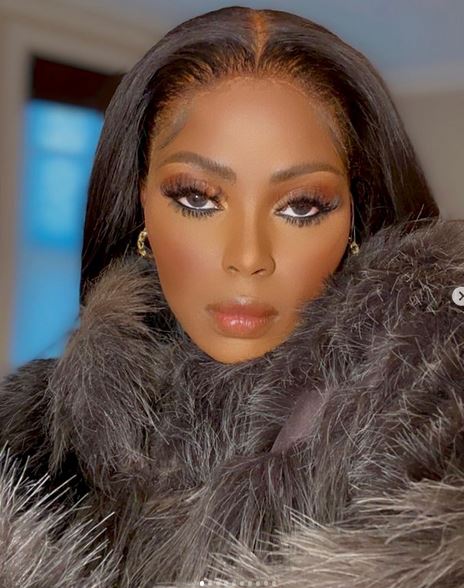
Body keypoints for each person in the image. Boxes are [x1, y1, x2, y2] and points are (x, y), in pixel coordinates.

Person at [1, 5, 463, 587]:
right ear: (141, 205)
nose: (247, 256)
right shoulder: (30, 457)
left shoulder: (439, 449)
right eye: (197, 198)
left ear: (354, 220)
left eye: (301, 206)